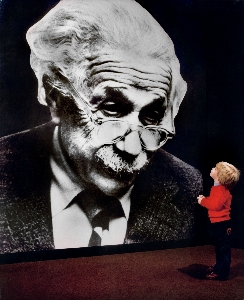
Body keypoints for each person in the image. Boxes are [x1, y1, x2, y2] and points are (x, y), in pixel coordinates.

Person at [0, 0, 202, 254]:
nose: (132, 148)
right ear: (53, 94)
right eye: (112, 109)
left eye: (151, 116)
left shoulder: (187, 186)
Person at [197, 162, 240, 280]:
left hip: (222, 224)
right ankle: (218, 267)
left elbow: (215, 205)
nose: (212, 168)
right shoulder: (216, 188)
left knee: (223, 249)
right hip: (218, 223)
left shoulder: (221, 190)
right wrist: (205, 199)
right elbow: (214, 201)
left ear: (220, 176)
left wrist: (203, 201)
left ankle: (222, 272)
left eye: (215, 168)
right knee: (220, 248)